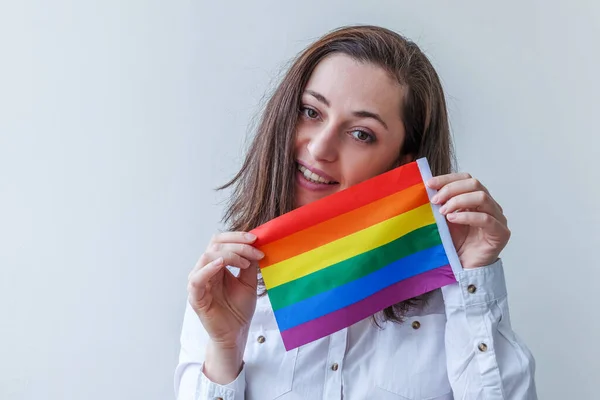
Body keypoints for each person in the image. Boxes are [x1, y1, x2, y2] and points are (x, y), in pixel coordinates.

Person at [174, 25, 537, 400]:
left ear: (402, 161)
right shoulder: (225, 283)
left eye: (361, 133)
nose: (319, 147)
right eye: (311, 111)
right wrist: (224, 345)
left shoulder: (451, 291)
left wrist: (474, 274)